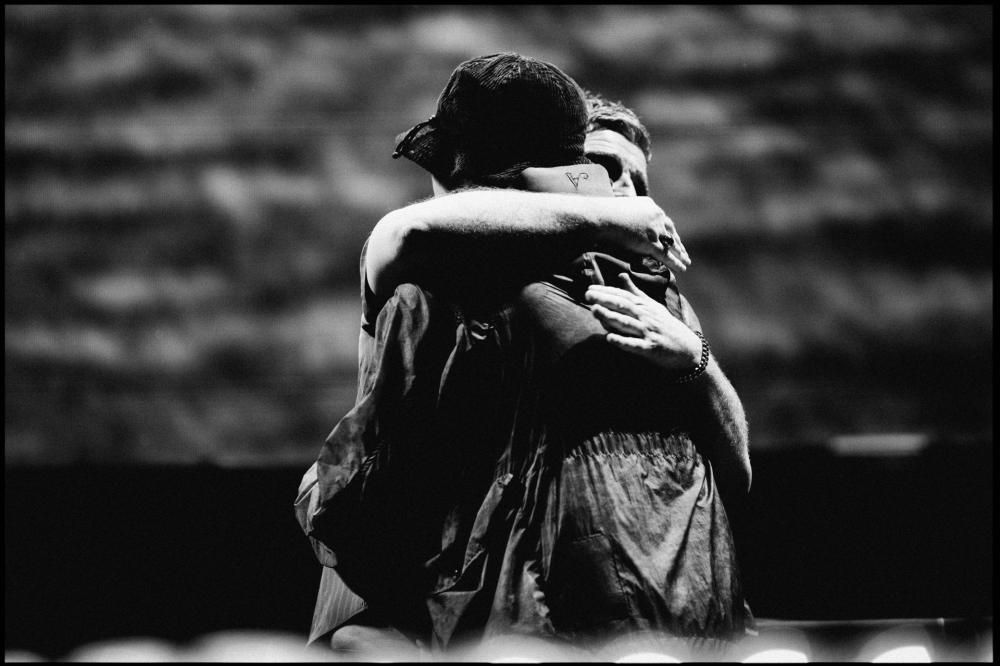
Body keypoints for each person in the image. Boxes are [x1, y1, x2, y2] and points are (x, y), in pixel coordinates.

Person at [296, 53, 752, 657]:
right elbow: (407, 238)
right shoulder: (463, 279)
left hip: (688, 623)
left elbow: (736, 478)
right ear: (561, 177)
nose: (628, 194)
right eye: (602, 171)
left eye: (639, 184)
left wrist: (696, 362)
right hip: (539, 623)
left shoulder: (665, 305)